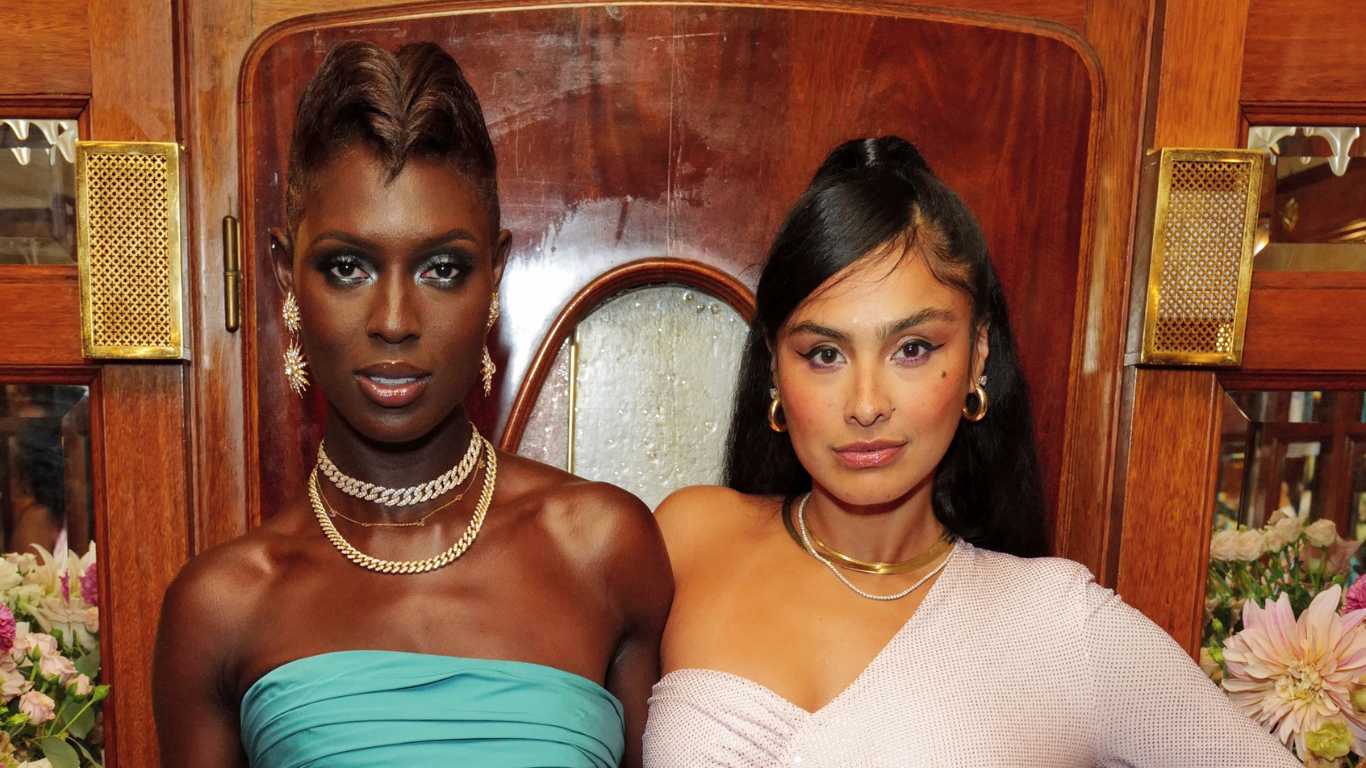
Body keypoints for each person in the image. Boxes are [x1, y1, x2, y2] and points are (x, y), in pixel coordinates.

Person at [643, 136, 1298, 767]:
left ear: (978, 354)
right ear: (774, 368)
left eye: (912, 349)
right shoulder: (691, 538)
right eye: (824, 354)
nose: (866, 404)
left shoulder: (1060, 628)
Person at [154, 41, 671, 768]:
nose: (394, 320)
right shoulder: (222, 606)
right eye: (347, 267)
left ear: (494, 276)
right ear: (285, 276)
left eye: (441, 268)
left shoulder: (603, 549)